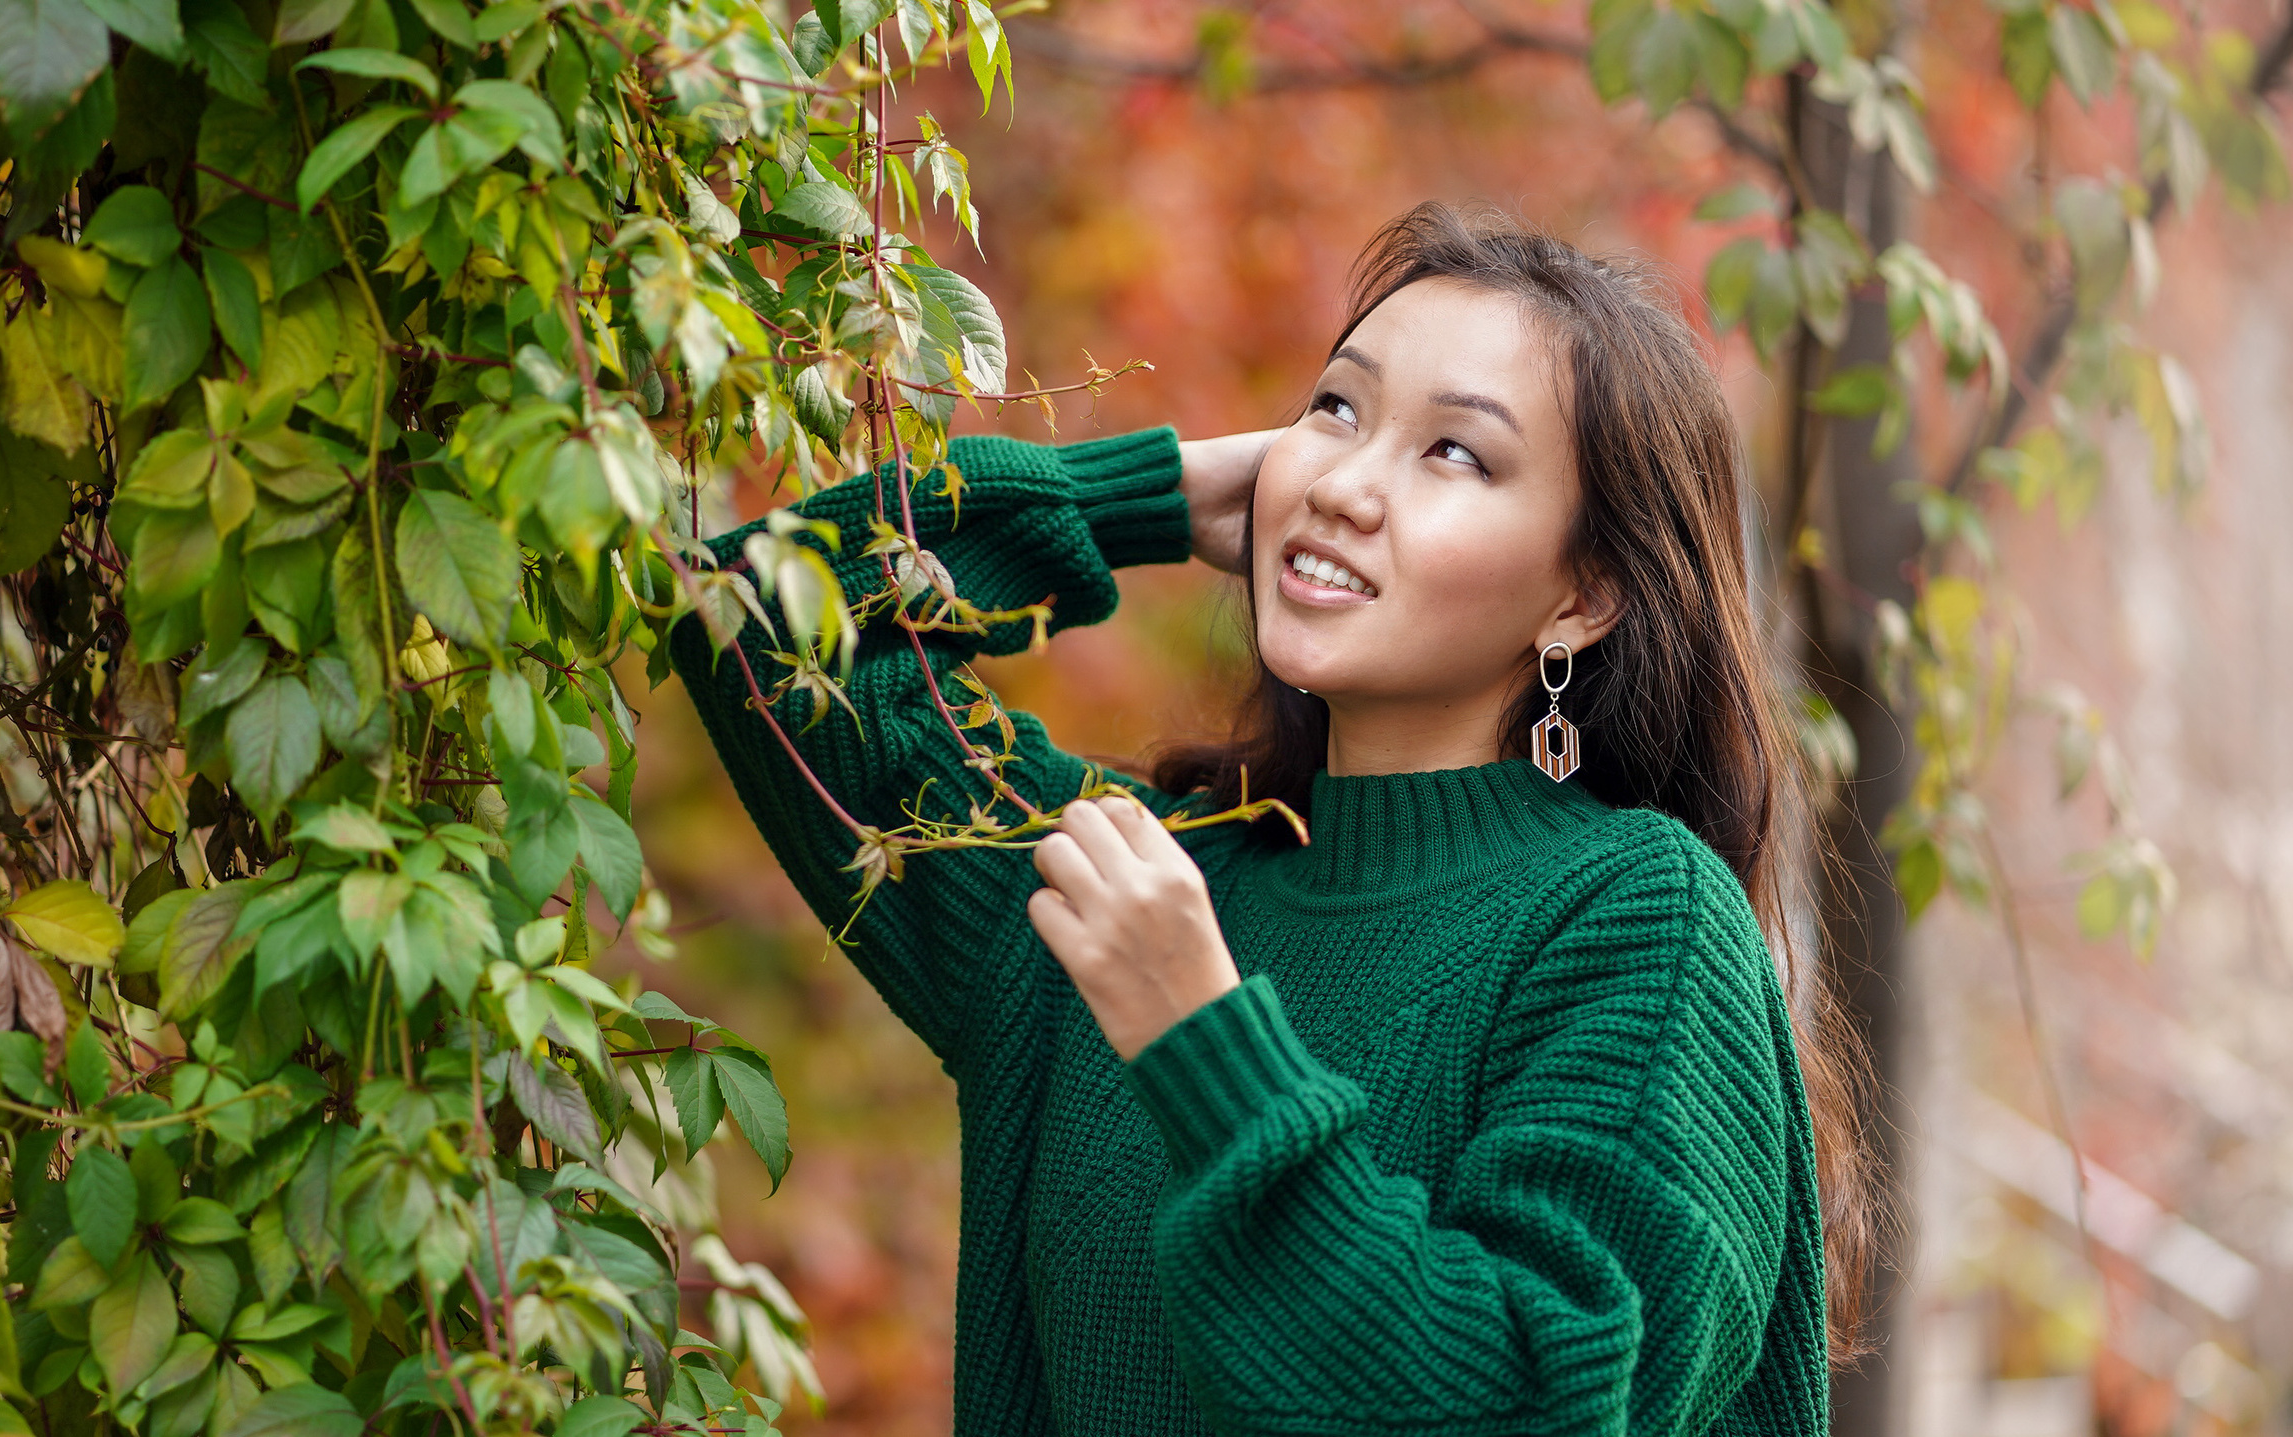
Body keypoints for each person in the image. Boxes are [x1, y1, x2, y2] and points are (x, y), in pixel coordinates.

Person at [673, 203, 1868, 1435]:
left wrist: (1200, 1036)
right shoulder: (1134, 885)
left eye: (1453, 453)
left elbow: (1522, 1404)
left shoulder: (1638, 922)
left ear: (1584, 595)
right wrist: (1141, 498)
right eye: (1336, 409)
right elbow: (753, 627)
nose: (1344, 482)